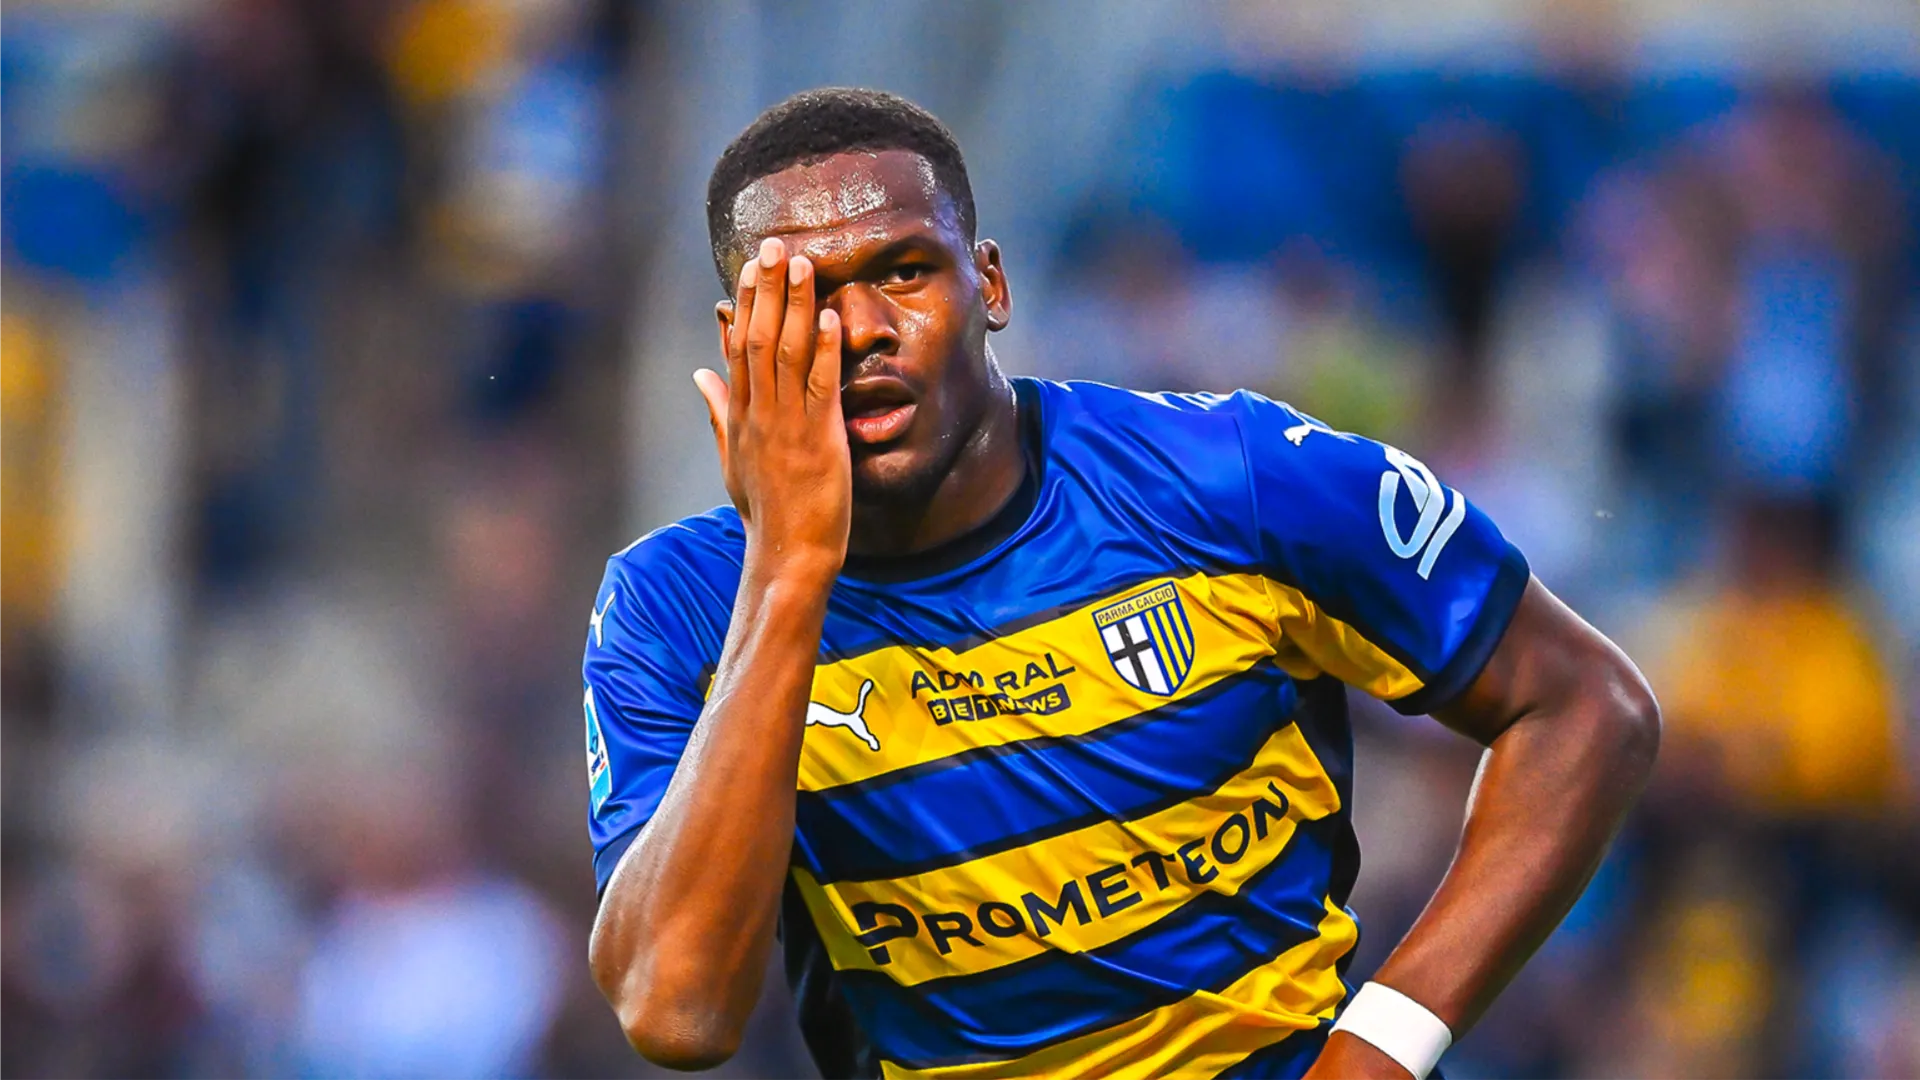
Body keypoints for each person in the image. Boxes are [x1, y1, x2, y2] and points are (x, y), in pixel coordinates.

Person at [580, 88, 1660, 1080]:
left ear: (989, 284)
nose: (861, 330)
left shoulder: (1234, 479)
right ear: (741, 341)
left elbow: (1586, 707)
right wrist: (788, 570)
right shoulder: (676, 610)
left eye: (904, 271)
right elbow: (677, 1011)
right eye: (805, 296)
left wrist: (1381, 1050)